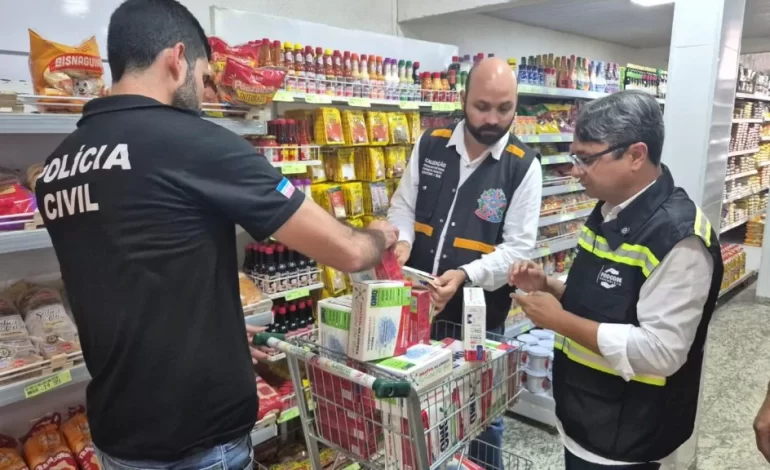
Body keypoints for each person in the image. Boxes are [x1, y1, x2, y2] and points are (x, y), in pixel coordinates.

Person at [34, 0, 398, 468]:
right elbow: (347, 253)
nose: (206, 94)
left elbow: (135, 275)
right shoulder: (197, 144)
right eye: (205, 78)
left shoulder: (59, 165)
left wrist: (214, 329)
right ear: (177, 57)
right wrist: (379, 234)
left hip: (116, 436)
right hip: (200, 440)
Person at [509, 90, 724, 469]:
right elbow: (606, 298)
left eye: (586, 158)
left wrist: (557, 320)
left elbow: (662, 351)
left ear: (636, 155)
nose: (576, 170)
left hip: (628, 436)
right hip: (586, 415)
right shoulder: (609, 209)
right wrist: (550, 286)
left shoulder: (679, 238)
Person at [388, 57, 543, 469]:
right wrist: (402, 244)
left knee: (479, 413)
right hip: (418, 305)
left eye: (505, 108)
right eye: (482, 106)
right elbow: (402, 207)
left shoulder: (523, 165)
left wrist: (464, 275)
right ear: (463, 99)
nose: (493, 118)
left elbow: (518, 248)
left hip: (478, 316)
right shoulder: (431, 142)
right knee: (416, 403)